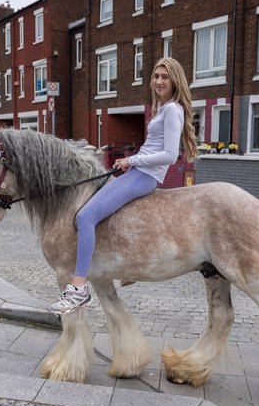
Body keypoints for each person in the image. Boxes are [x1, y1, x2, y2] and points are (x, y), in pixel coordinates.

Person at [49, 57, 199, 314]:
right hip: (136, 172)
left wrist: (133, 159)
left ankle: (78, 289)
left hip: (144, 177)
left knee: (85, 217)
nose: (159, 81)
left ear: (175, 81)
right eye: (156, 76)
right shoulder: (162, 108)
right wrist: (130, 163)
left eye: (165, 77)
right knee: (90, 209)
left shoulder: (173, 109)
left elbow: (171, 155)